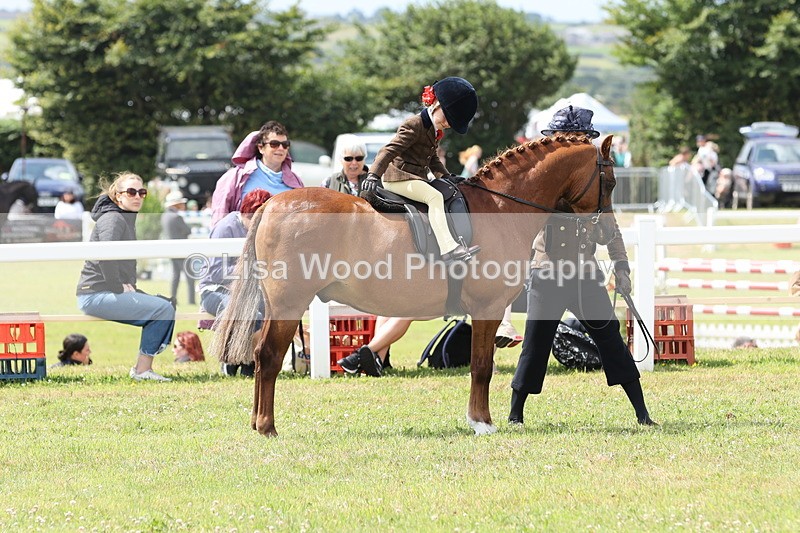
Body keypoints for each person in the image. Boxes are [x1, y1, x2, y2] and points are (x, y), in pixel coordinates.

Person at [508, 106, 656, 426]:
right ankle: (515, 415)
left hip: (585, 276)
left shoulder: (594, 175)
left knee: (611, 342)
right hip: (547, 274)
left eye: (579, 138)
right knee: (535, 344)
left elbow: (610, 227)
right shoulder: (545, 177)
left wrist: (622, 268)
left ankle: (642, 414)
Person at [362, 76, 480, 264]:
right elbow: (389, 150)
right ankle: (448, 248)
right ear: (437, 104)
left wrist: (447, 176)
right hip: (397, 178)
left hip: (415, 178)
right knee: (434, 197)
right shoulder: (415, 124)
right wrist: (373, 174)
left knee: (446, 191)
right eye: (448, 117)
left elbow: (432, 159)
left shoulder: (434, 130)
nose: (449, 123)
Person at [76, 172, 176, 382]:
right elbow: (106, 256)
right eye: (131, 192)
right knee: (163, 308)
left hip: (103, 292)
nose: (137, 196)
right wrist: (118, 287)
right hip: (95, 295)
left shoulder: (124, 217)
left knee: (165, 305)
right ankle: (142, 371)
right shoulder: (113, 218)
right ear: (117, 196)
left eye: (142, 192)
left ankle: (143, 370)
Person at [199, 188, 272, 376]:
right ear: (245, 213)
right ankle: (230, 359)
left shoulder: (261, 230)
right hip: (215, 290)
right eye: (255, 220)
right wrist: (251, 272)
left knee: (268, 313)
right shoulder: (226, 228)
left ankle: (248, 362)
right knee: (248, 313)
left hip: (250, 291)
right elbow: (215, 272)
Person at [210, 121, 303, 226]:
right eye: (274, 144)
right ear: (261, 148)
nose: (281, 148)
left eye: (285, 144)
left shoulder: (296, 181)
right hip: (243, 240)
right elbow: (219, 219)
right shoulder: (235, 177)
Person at [161, 190, 196, 304]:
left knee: (176, 275)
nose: (183, 205)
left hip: (171, 250)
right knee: (190, 276)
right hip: (181, 250)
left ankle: (173, 298)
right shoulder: (176, 217)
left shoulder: (165, 216)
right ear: (176, 204)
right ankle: (191, 300)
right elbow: (188, 230)